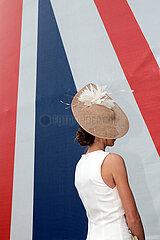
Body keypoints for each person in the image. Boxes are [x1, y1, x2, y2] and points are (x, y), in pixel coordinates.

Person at [71, 83, 145, 240]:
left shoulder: (80, 166)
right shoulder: (113, 161)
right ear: (99, 131)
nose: (116, 134)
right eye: (111, 127)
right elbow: (133, 218)